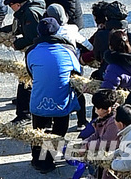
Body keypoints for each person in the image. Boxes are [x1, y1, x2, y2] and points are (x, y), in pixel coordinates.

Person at [26, 16, 81, 172]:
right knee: (59, 129)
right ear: (57, 30)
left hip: (38, 101)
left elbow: (30, 72)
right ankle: (49, 158)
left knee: (38, 130)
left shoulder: (31, 51)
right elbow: (77, 71)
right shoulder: (69, 49)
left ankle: (37, 160)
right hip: (61, 102)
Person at [5, 0, 46, 124]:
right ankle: (24, 107)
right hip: (42, 51)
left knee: (25, 79)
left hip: (39, 52)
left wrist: (16, 43)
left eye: (11, 5)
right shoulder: (28, 10)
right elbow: (18, 27)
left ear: (17, 5)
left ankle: (24, 114)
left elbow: (32, 37)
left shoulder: (30, 13)